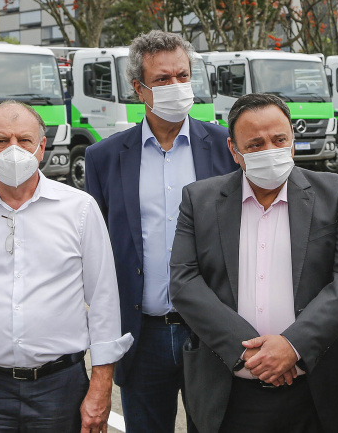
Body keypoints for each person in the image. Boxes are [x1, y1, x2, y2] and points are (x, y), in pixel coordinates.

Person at [0, 100, 131, 433]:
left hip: (60, 388)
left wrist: (101, 386)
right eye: (1, 141)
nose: (13, 150)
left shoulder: (80, 210)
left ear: (41, 147)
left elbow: (104, 302)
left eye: (24, 140)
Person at [170, 93, 338, 433]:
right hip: (228, 393)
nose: (270, 150)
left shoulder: (334, 193)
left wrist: (292, 346)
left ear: (292, 141)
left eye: (279, 140)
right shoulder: (199, 199)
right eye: (256, 143)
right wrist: (248, 351)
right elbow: (184, 282)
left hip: (315, 391)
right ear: (234, 151)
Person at [84, 31, 237, 433]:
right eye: (163, 79)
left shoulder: (225, 147)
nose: (176, 86)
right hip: (142, 335)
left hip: (212, 332)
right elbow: (97, 252)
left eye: (182, 76)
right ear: (139, 89)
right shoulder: (105, 158)